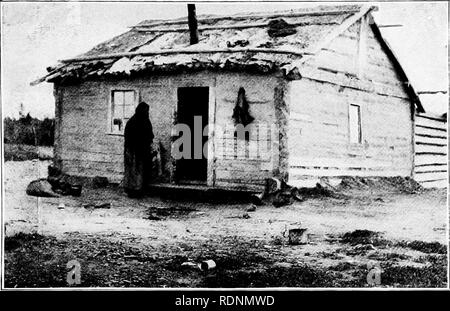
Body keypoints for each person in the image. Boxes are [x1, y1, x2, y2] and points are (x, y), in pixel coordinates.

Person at [123, 102, 154, 197]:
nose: (147, 112)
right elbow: (128, 136)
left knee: (138, 170)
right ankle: (133, 190)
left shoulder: (143, 121)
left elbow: (150, 134)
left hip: (139, 149)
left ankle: (136, 190)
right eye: (146, 110)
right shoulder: (134, 121)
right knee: (134, 170)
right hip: (134, 150)